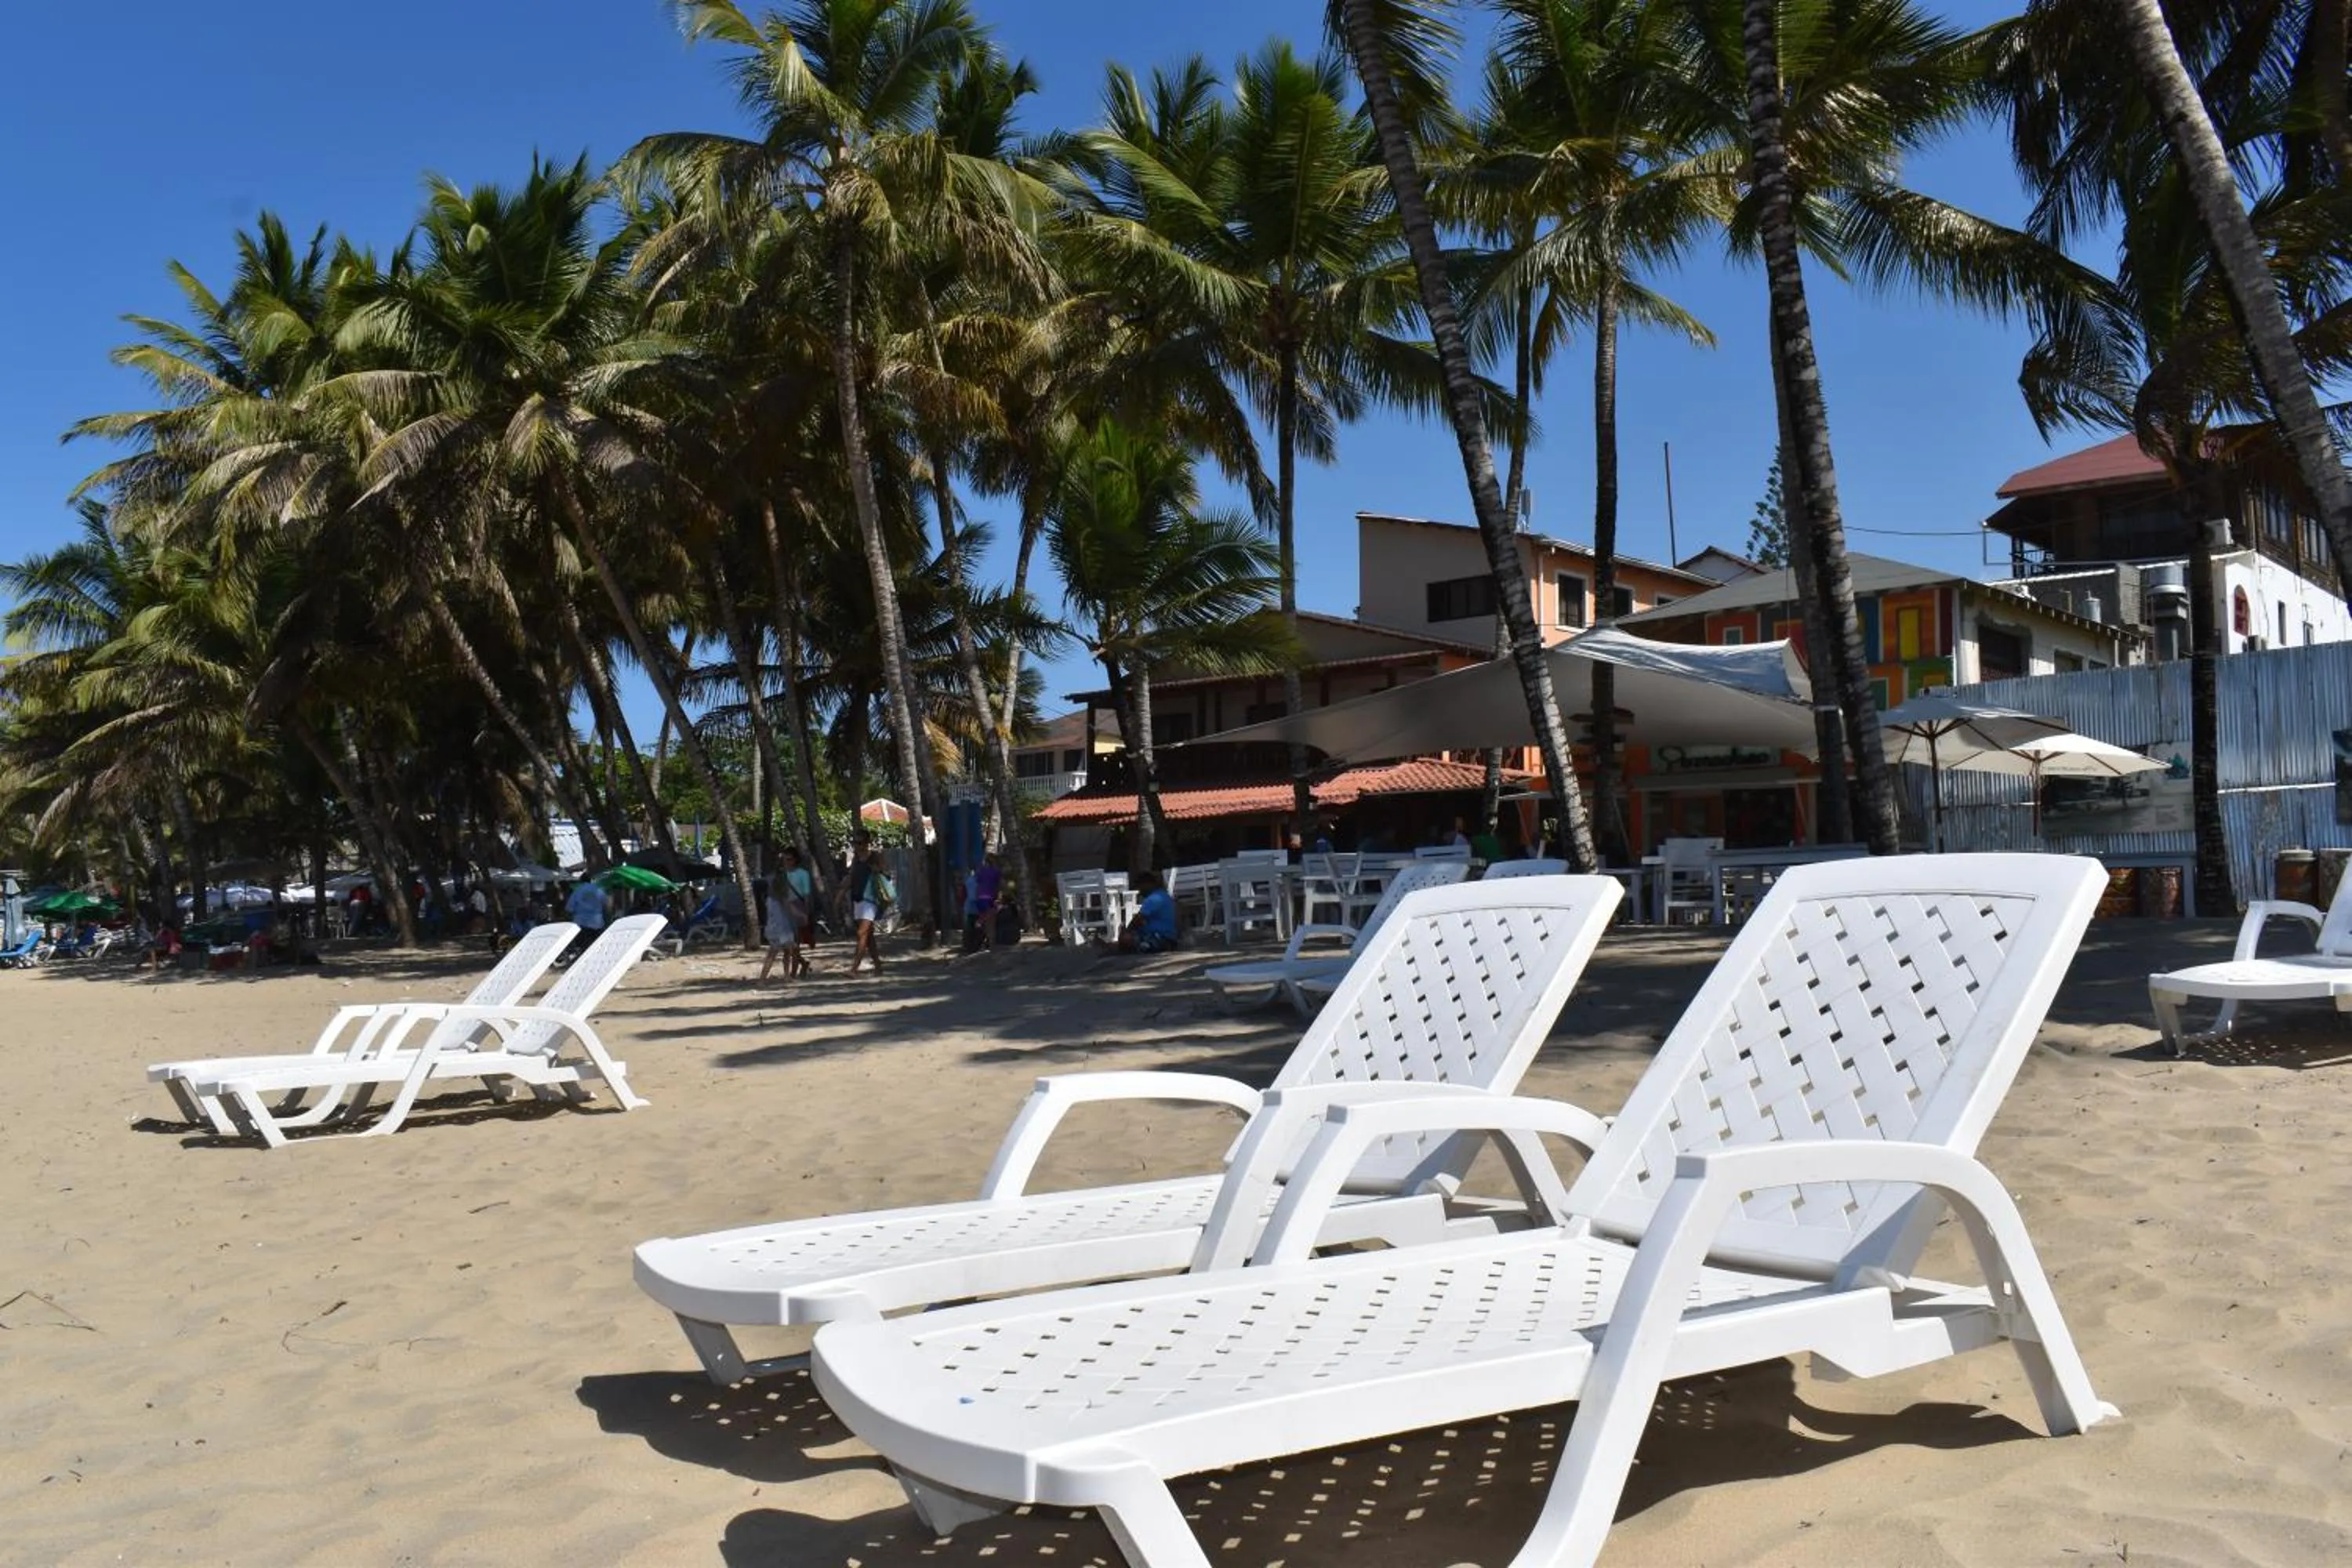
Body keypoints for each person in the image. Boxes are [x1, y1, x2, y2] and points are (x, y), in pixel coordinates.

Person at [1101, 869, 1180, 954]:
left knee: (1127, 940)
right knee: (1126, 941)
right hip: (1168, 938)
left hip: (1159, 938)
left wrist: (1127, 931)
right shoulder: (1164, 895)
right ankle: (1110, 947)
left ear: (1148, 884)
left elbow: (1138, 919)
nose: (1140, 892)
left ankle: (1109, 948)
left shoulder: (1154, 898)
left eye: (1141, 887)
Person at [848, 848, 894, 974]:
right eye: (856, 843)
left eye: (860, 843)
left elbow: (887, 874)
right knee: (868, 937)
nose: (858, 846)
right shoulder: (856, 860)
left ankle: (854, 969)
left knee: (861, 933)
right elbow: (850, 878)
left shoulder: (875, 856)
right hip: (858, 899)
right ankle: (878, 966)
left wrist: (878, 870)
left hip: (871, 900)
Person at [755, 876, 804, 983]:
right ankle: (762, 980)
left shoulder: (769, 899)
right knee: (775, 953)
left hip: (774, 927)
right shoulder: (782, 899)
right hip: (781, 928)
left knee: (786, 951)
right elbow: (791, 909)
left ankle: (786, 976)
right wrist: (802, 916)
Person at [780, 847, 815, 975]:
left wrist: (806, 912)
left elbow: (806, 895)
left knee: (795, 943)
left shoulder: (803, 874)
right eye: (784, 860)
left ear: (795, 860)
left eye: (789, 859)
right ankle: (803, 963)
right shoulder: (781, 874)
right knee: (785, 945)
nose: (786, 862)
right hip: (783, 909)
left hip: (797, 907)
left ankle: (793, 973)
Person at [564, 877, 611, 962]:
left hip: (581, 922)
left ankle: (584, 962)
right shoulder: (598, 890)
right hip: (597, 922)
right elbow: (606, 904)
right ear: (591, 880)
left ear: (581, 881)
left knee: (583, 947)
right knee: (596, 945)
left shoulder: (577, 891)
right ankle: (596, 961)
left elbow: (569, 908)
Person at [967, 852, 1004, 953]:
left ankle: (982, 940)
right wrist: (1000, 898)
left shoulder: (981, 871)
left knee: (985, 918)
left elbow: (977, 881)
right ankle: (991, 944)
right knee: (991, 922)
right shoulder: (996, 871)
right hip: (990, 897)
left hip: (980, 897)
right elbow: (1000, 885)